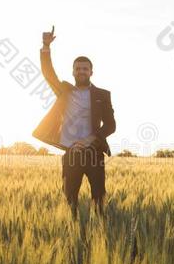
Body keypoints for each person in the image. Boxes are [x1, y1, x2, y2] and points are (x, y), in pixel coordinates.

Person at [32, 26, 116, 218]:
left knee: (99, 199)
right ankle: (73, 231)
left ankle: (101, 233)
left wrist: (91, 140)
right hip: (71, 153)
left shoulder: (103, 95)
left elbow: (111, 126)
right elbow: (47, 73)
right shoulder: (64, 91)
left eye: (85, 69)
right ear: (73, 72)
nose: (81, 71)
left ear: (91, 72)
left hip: (94, 152)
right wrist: (46, 46)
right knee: (70, 199)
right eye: (78, 69)